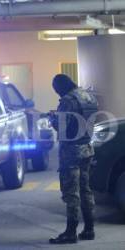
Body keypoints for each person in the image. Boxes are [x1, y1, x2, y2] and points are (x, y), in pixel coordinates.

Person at [48, 74, 98, 244]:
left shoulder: (68, 101)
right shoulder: (88, 96)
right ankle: (89, 229)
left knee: (71, 192)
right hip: (87, 149)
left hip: (71, 152)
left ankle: (70, 232)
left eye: (57, 91)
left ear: (60, 87)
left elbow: (62, 127)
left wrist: (52, 119)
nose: (58, 94)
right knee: (86, 189)